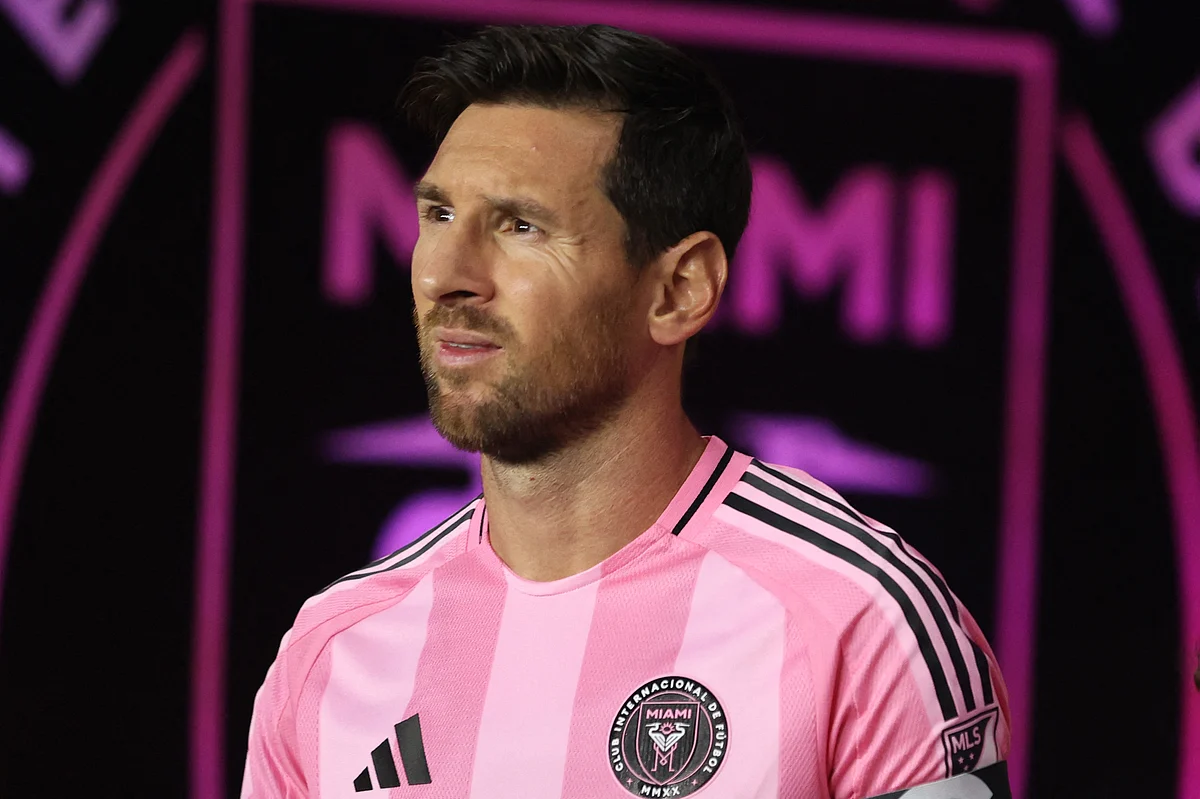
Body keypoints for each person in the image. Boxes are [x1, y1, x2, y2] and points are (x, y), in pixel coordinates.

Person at [241, 24, 1012, 799]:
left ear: (680, 290)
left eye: (521, 226)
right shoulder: (332, 654)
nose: (445, 275)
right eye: (438, 215)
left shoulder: (864, 622)